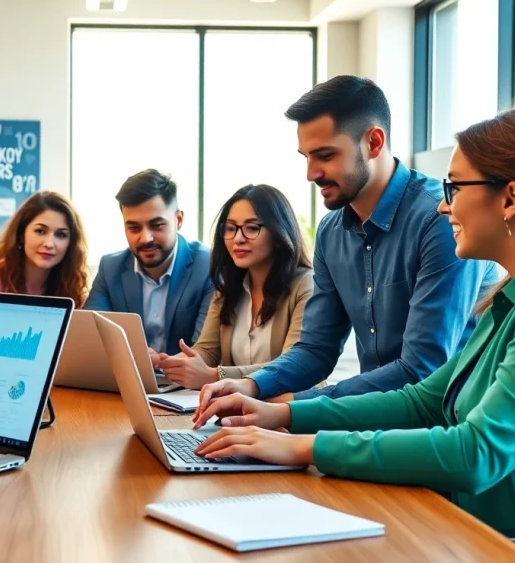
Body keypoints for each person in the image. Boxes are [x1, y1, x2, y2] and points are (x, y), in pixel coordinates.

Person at [191, 107, 515, 555]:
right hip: (461, 526)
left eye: (455, 187)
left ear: (510, 199)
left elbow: (476, 453)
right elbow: (422, 401)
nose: (444, 204)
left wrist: (307, 447)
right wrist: (282, 416)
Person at [198, 76, 498, 404]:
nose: (310, 173)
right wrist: (251, 386)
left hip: (441, 422)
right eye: (306, 157)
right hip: (372, 420)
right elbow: (316, 349)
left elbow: (420, 370)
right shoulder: (331, 232)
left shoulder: (438, 220)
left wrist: (294, 408)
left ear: (373, 142)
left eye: (325, 155)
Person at [157, 184, 314, 390]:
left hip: (290, 411)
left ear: (278, 233)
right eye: (231, 228)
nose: (238, 238)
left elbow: (292, 367)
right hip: (237, 410)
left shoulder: (306, 285)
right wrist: (166, 363)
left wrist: (216, 376)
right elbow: (208, 351)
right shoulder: (228, 287)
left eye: (251, 228)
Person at [84, 169, 214, 359]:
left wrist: (155, 363)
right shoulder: (110, 268)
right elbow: (89, 338)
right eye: (134, 227)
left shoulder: (207, 265)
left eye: (157, 225)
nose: (146, 238)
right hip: (123, 382)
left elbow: (205, 351)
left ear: (178, 220)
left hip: (185, 386)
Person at [0, 190, 89, 306]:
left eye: (61, 235)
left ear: (70, 243)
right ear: (21, 235)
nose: (49, 244)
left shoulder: (74, 286)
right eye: (40, 231)